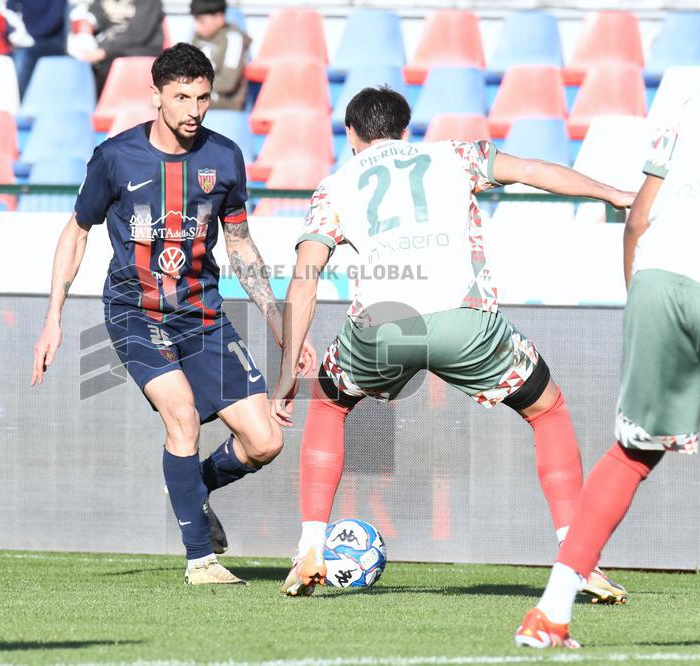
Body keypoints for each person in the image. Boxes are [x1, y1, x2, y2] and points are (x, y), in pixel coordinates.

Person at [270, 86, 635, 601]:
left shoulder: (335, 185)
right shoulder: (454, 155)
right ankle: (579, 561)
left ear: (351, 135)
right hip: (464, 321)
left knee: (329, 403)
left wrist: (288, 372)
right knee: (548, 410)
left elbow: (305, 277)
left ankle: (311, 547)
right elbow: (533, 170)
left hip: (381, 328)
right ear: (405, 131)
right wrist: (614, 194)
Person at [31, 43, 315, 585]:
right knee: (181, 416)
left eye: (202, 98)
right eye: (181, 97)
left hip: (202, 315)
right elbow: (77, 231)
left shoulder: (225, 157)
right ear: (156, 96)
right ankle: (200, 560)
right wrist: (54, 317)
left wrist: (280, 323)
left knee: (265, 441)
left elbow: (241, 245)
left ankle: (191, 485)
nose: (193, 110)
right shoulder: (116, 157)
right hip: (135, 311)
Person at [515, 72, 700, 650]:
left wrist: (643, 303)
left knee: (631, 452)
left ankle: (550, 613)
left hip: (657, 278)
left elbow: (639, 216)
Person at [68, 0, 164, 95]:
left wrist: (104, 51)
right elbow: (95, 13)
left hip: (139, 50)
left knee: (105, 64)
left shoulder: (149, 2)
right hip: (106, 47)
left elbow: (138, 34)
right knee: (75, 62)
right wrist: (87, 24)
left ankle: (99, 100)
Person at [189, 0, 250, 111]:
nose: (196, 27)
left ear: (219, 18)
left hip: (226, 102)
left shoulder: (233, 39)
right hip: (198, 95)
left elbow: (227, 82)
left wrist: (192, 84)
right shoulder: (197, 37)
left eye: (201, 21)